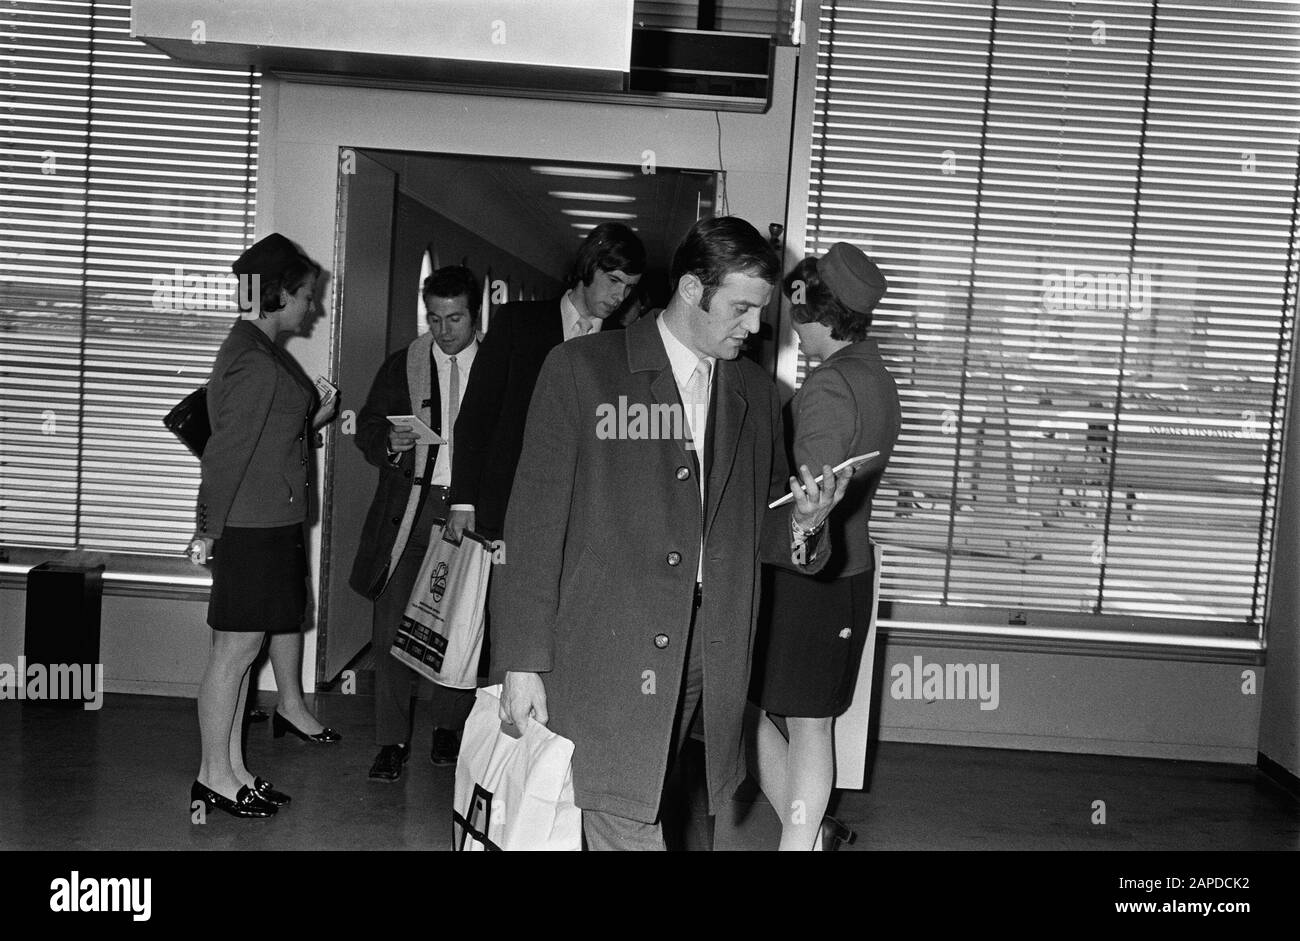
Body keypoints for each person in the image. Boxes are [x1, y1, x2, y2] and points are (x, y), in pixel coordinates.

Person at [492, 216, 856, 850]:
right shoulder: (582, 370)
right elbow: (532, 525)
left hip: (704, 650)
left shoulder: (753, 394)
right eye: (741, 308)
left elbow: (760, 522)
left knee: (657, 801)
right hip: (603, 649)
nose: (754, 327)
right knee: (624, 814)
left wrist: (802, 521)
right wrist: (521, 663)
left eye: (760, 311)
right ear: (692, 289)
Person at [434, 224, 645, 762]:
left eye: (629, 287)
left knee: (571, 629)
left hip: (588, 517)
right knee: (514, 630)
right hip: (513, 509)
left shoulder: (624, 346)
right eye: (613, 280)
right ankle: (504, 754)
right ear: (587, 268)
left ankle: (557, 749)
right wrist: (465, 499)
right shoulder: (520, 323)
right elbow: (477, 413)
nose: (618, 296)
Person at [748, 242, 900, 850]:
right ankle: (809, 838)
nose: (794, 332)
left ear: (826, 315)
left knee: (765, 719)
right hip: (852, 572)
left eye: (799, 318)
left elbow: (808, 498)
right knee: (812, 723)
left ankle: (801, 842)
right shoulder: (877, 376)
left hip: (808, 576)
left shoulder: (830, 387)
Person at [187, 233, 338, 818]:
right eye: (305, 295)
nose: (312, 306)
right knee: (233, 652)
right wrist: (208, 530)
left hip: (269, 521)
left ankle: (232, 770)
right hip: (249, 526)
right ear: (276, 294)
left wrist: (311, 420)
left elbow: (267, 434)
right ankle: (212, 776)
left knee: (242, 652)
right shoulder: (252, 357)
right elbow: (225, 452)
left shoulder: (260, 348)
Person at [349, 266, 481, 780]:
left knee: (459, 623)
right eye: (434, 318)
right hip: (409, 507)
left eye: (455, 319)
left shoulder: (498, 366)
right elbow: (367, 426)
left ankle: (447, 728)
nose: (444, 331)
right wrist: (388, 441)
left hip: (467, 507)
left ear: (474, 314)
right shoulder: (404, 363)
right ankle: (390, 740)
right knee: (389, 627)